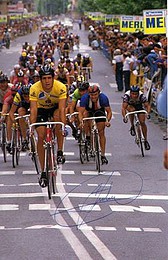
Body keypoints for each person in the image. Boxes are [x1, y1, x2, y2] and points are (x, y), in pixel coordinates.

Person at [29, 64, 67, 188]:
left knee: (58, 120)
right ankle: (43, 171)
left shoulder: (60, 87)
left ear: (53, 78)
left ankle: (60, 151)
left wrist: (63, 126)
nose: (47, 81)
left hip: (55, 109)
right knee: (41, 136)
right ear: (40, 79)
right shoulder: (34, 88)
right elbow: (33, 109)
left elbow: (62, 109)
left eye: (49, 78)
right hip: (41, 110)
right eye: (44, 78)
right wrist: (31, 127)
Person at [79, 84, 112, 165]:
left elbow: (109, 112)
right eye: (91, 95)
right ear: (89, 94)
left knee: (101, 132)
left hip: (99, 112)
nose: (93, 97)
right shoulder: (85, 98)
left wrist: (107, 121)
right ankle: (88, 136)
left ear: (98, 93)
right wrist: (81, 122)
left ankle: (103, 155)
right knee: (86, 119)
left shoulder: (103, 98)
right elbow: (80, 112)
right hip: (89, 111)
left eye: (95, 95)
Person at [122, 85, 151, 150]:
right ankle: (132, 125)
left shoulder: (141, 96)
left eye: (136, 94)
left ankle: (146, 140)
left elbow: (147, 105)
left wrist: (148, 113)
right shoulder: (127, 96)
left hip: (139, 106)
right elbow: (123, 108)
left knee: (142, 122)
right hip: (130, 106)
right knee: (131, 110)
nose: (134, 96)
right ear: (130, 93)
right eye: (133, 94)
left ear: (138, 93)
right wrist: (124, 117)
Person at [9, 84, 31, 151]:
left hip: (34, 104)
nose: (27, 98)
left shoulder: (34, 92)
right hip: (23, 106)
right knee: (20, 113)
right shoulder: (18, 95)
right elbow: (11, 112)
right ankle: (24, 139)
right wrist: (14, 122)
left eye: (28, 96)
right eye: (25, 96)